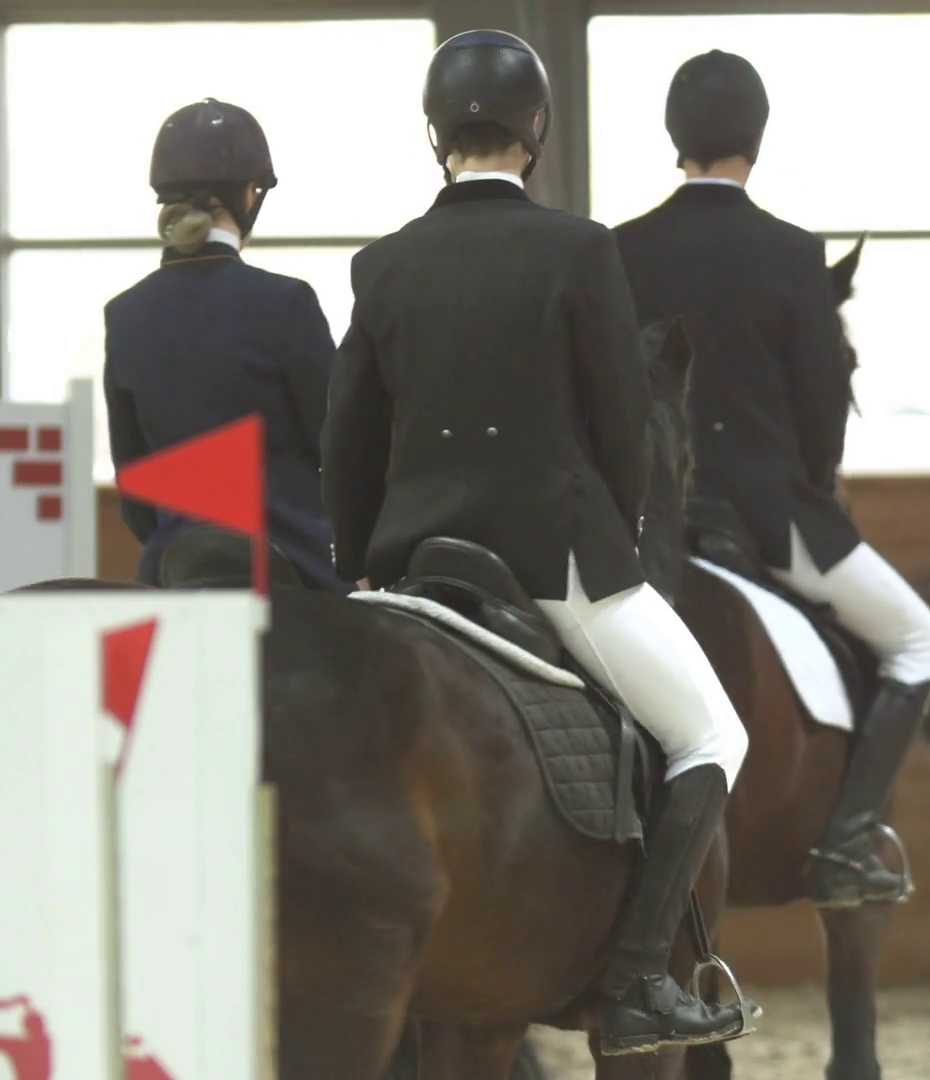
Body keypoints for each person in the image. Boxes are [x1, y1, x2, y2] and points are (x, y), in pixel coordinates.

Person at [320, 29, 751, 1056]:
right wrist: (622, 533)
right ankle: (639, 977)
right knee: (710, 737)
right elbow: (621, 422)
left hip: (412, 562)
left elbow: (347, 442)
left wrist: (361, 568)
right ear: (537, 128)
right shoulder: (579, 249)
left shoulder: (382, 264)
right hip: (555, 557)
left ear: (435, 132)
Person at [611, 50, 930, 908]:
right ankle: (848, 843)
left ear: (674, 136)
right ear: (757, 138)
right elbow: (821, 404)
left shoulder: (618, 250)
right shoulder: (794, 253)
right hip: (766, 518)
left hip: (638, 529)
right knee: (918, 643)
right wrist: (813, 485)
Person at [104, 98, 346, 593]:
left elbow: (133, 484)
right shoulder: (286, 302)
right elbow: (338, 445)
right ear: (248, 196)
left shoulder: (125, 315)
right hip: (293, 568)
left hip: (175, 569)